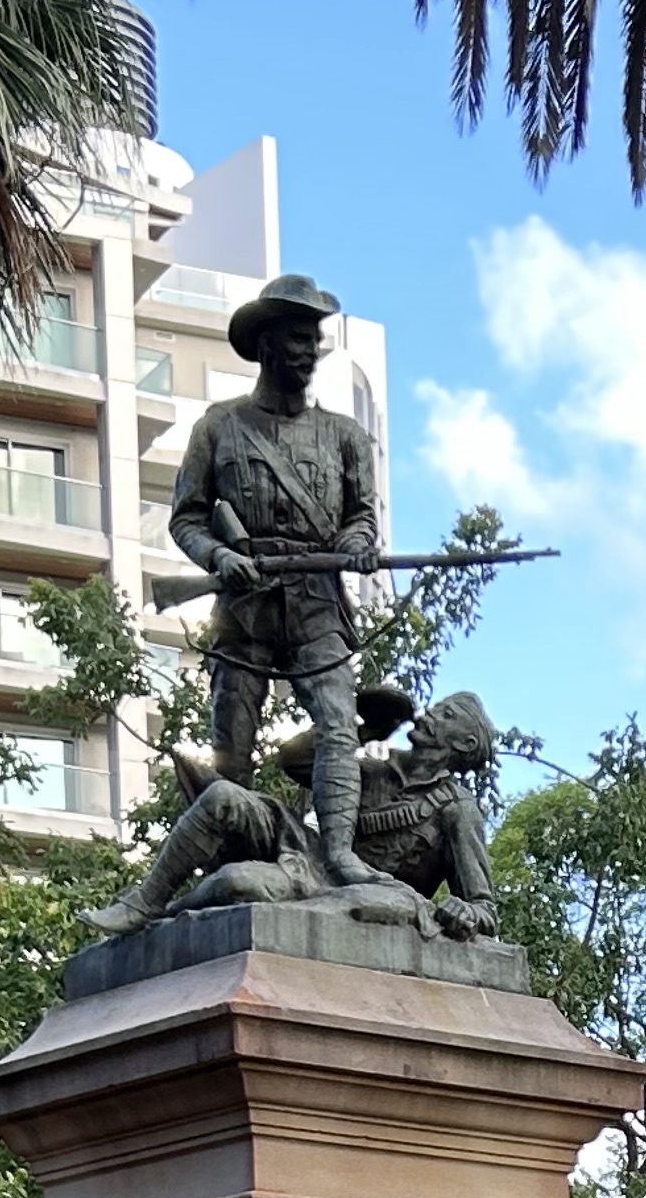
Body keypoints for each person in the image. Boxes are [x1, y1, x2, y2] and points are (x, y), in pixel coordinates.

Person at [166, 269, 379, 882]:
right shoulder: (219, 426)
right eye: (295, 338)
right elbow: (186, 518)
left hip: (316, 597)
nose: (307, 351)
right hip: (246, 601)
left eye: (313, 339)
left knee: (339, 724)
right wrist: (218, 557)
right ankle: (232, 857)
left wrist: (357, 543)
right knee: (232, 740)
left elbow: (362, 516)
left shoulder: (346, 437)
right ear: (264, 345)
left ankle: (338, 854)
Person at [83, 685, 503, 941]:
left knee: (236, 882)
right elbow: (295, 760)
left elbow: (484, 908)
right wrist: (364, 726)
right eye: (438, 707)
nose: (430, 713)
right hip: (312, 851)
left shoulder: (457, 811)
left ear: (464, 744)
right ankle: (144, 902)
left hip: (354, 890)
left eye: (445, 715)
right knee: (223, 797)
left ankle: (166, 919)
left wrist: (465, 912)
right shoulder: (378, 767)